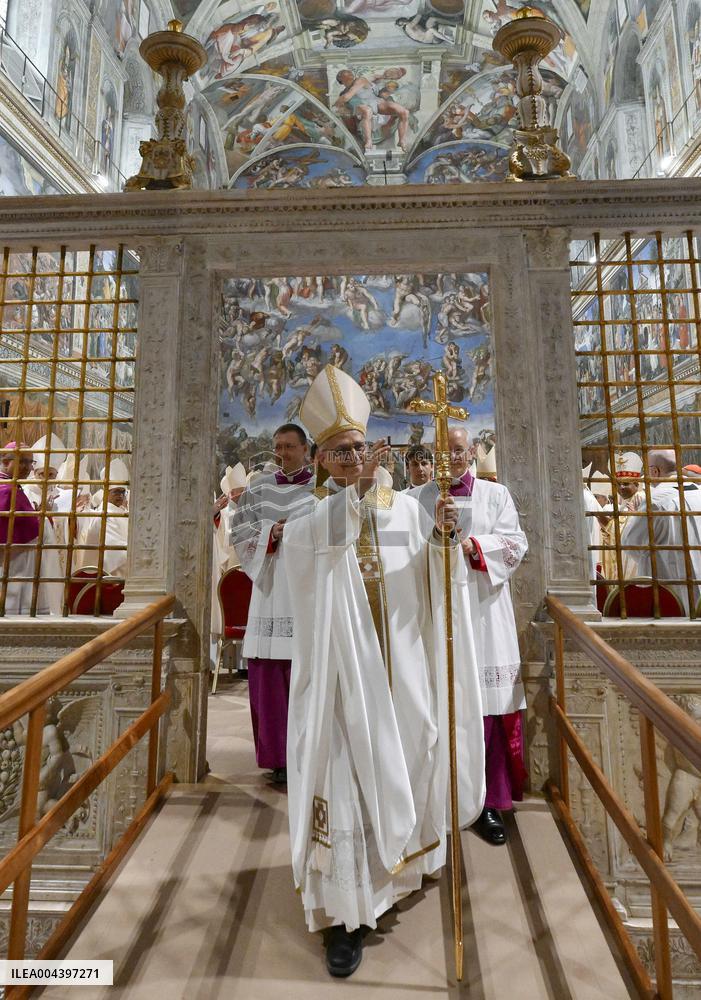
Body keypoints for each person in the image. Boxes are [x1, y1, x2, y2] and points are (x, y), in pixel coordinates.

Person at [283, 366, 485, 977]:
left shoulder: (401, 513)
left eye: (357, 449)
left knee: (411, 762)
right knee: (344, 786)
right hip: (343, 686)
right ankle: (345, 917)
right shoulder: (307, 522)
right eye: (339, 452)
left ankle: (396, 878)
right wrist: (356, 493)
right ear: (320, 459)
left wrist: (445, 542)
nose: (351, 458)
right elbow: (328, 549)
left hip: (402, 674)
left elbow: (429, 585)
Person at [411, 426, 528, 846]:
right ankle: (437, 796)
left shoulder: (496, 496)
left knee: (487, 711)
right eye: (442, 452)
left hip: (482, 615)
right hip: (434, 616)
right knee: (437, 707)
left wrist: (470, 546)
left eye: (458, 450)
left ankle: (489, 803)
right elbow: (398, 551)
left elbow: (516, 543)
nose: (451, 459)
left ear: (473, 451)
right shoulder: (414, 499)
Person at [230, 424, 314, 784]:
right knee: (270, 676)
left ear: (306, 449)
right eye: (277, 446)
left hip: (306, 589)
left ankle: (309, 752)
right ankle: (277, 757)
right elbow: (238, 532)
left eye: (289, 446)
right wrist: (272, 534)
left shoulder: (322, 489)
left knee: (305, 673)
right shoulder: (258, 487)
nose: (282, 452)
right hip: (268, 586)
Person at [620, 449, 701, 613]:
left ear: (654, 471)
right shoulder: (698, 493)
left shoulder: (655, 501)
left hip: (670, 588)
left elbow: (630, 544)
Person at [0, 442, 48, 614]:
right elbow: (30, 528)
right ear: (6, 462)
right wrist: (43, 516)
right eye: (22, 461)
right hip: (13, 563)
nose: (27, 467)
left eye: (30, 462)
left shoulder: (12, 487)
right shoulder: (6, 490)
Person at [211, 463, 247, 670]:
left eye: (244, 492)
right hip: (230, 563)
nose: (240, 496)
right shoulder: (224, 515)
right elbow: (220, 540)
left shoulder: (252, 511)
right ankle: (232, 662)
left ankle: (244, 665)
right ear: (230, 493)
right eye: (237, 492)